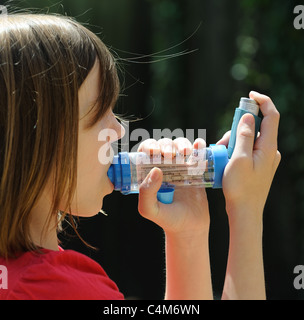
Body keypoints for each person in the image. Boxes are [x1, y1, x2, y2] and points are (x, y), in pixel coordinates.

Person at [0, 13, 281, 300]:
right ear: (38, 139)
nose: (119, 129)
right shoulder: (55, 288)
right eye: (99, 112)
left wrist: (188, 234)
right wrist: (245, 209)